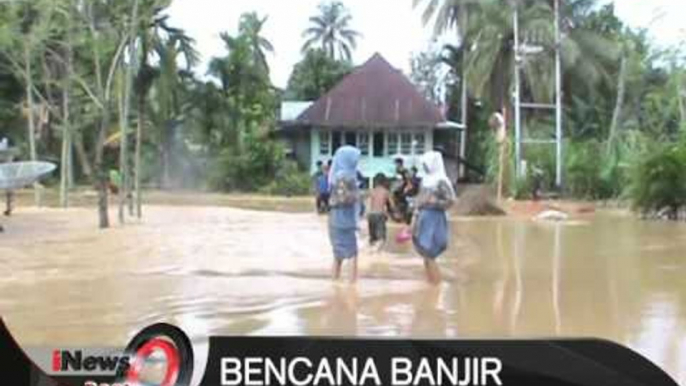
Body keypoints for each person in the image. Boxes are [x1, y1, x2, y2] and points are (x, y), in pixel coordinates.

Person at [411, 151, 456, 285]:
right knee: (425, 253)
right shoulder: (425, 180)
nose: (425, 167)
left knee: (430, 253)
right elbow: (420, 199)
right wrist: (414, 215)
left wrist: (434, 202)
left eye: (427, 164)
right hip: (423, 218)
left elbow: (451, 201)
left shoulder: (442, 181)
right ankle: (431, 282)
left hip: (435, 218)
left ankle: (436, 285)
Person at [328, 146, 362, 283]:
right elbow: (345, 199)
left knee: (338, 255)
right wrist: (361, 196)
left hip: (334, 218)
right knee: (352, 254)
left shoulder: (335, 176)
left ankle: (334, 283)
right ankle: (352, 285)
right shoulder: (347, 177)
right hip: (344, 219)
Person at [367, 173, 393, 249]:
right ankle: (376, 253)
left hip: (370, 215)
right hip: (380, 215)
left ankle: (371, 254)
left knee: (373, 239)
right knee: (381, 239)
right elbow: (392, 205)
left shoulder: (372, 191)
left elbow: (368, 204)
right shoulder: (386, 192)